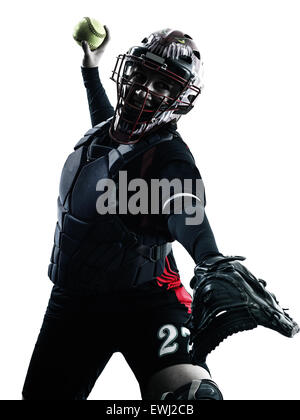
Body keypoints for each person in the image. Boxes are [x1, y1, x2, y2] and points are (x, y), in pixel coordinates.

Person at [22, 28, 298, 401]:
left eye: (163, 84)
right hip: (74, 301)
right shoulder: (105, 133)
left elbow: (182, 204)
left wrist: (210, 258)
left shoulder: (169, 156)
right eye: (141, 75)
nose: (144, 89)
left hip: (147, 300)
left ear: (179, 100)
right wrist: (91, 71)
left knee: (189, 397)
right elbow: (112, 132)